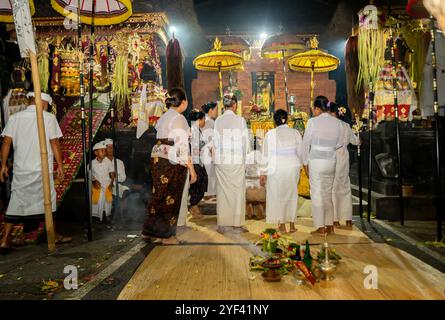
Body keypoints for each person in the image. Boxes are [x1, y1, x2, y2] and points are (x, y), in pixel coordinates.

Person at [0, 92, 70, 253]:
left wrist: (3, 165)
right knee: (48, 200)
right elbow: (55, 143)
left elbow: (6, 142)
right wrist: (60, 165)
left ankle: (4, 240)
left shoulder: (15, 118)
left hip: (21, 169)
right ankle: (52, 234)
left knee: (17, 201)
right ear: (44, 104)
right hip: (42, 169)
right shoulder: (48, 118)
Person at [142, 88, 197, 245]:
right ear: (184, 102)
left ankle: (150, 231)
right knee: (170, 198)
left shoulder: (164, 117)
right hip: (171, 161)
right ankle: (167, 236)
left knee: (158, 195)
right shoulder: (179, 119)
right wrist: (192, 169)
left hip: (158, 159)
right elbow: (183, 146)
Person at [301, 96, 343, 235]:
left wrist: (305, 162)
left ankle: (320, 226)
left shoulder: (313, 122)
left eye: (314, 109)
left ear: (318, 108)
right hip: (331, 161)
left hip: (316, 162)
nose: (313, 111)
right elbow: (339, 144)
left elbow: (306, 143)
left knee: (317, 194)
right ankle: (330, 225)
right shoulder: (337, 123)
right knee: (327, 193)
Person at [260, 109, 302, 233]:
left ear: (275, 121)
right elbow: (300, 152)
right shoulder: (295, 133)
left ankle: (282, 224)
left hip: (276, 167)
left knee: (277, 195)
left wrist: (263, 172)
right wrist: (299, 166)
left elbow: (265, 155)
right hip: (292, 166)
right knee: (291, 194)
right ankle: (292, 225)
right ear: (286, 119)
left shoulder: (270, 134)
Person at [214, 95, 250, 233]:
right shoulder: (240, 120)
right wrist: (244, 157)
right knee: (238, 190)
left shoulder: (218, 120)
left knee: (223, 191)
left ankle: (223, 223)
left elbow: (216, 142)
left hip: (223, 159)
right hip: (236, 159)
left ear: (224, 105)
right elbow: (245, 142)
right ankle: (237, 223)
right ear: (235, 105)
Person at [329, 103, 360, 229]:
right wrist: (359, 136)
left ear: (334, 113)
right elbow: (356, 141)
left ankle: (335, 219)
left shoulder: (330, 126)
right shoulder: (346, 126)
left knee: (334, 187)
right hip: (344, 156)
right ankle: (347, 218)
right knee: (345, 186)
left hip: (333, 156)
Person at [189, 109, 209, 219]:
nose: (204, 121)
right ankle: (193, 206)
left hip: (198, 160)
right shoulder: (194, 130)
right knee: (199, 183)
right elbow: (194, 148)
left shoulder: (196, 129)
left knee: (200, 183)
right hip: (195, 161)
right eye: (203, 119)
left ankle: (194, 204)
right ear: (199, 119)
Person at [104, 139, 130, 219]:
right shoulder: (102, 162)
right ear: (104, 150)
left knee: (126, 191)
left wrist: (114, 175)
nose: (111, 150)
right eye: (109, 148)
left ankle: (121, 216)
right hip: (106, 186)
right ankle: (111, 216)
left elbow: (123, 178)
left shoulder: (119, 162)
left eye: (112, 148)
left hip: (117, 186)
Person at [91, 141, 115, 223]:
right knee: (96, 202)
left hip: (107, 185)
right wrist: (94, 181)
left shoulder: (107, 161)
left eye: (105, 150)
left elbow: (112, 173)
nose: (104, 152)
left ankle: (107, 216)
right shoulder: (92, 163)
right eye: (102, 151)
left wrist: (111, 183)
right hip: (97, 187)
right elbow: (90, 175)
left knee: (107, 202)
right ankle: (96, 217)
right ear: (96, 152)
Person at [245, 137, 265, 220]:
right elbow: (263, 169)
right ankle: (260, 207)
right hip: (258, 182)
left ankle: (249, 205)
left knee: (249, 198)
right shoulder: (261, 155)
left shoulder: (247, 155)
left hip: (247, 182)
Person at [201, 102, 218, 198]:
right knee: (209, 172)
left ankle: (209, 193)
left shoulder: (209, 121)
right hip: (208, 150)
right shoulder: (209, 122)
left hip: (207, 150)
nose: (217, 112)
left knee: (210, 172)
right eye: (216, 110)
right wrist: (213, 152)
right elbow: (209, 139)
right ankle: (208, 194)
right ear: (210, 110)